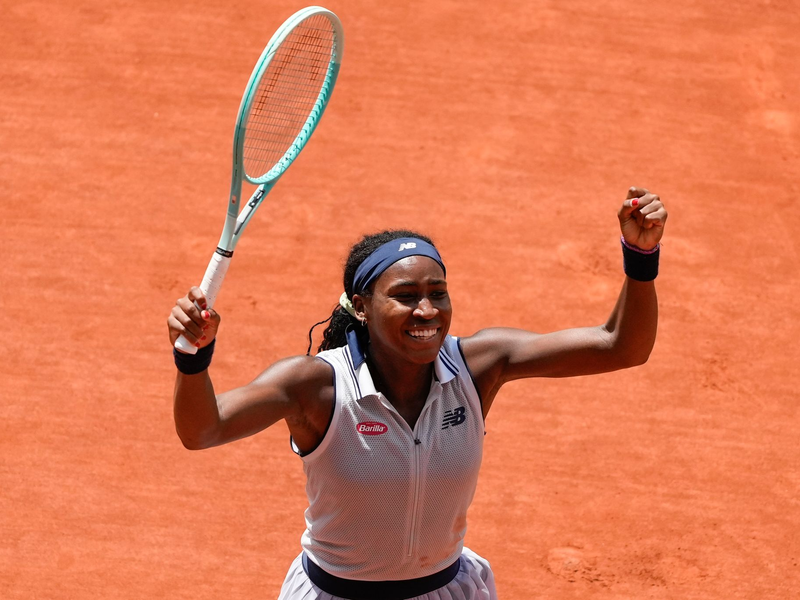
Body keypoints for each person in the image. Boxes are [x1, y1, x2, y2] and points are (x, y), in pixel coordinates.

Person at [167, 187, 667, 600]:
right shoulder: (314, 386)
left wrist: (641, 257)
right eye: (405, 297)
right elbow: (203, 429)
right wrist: (193, 362)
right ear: (362, 307)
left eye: (438, 292)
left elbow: (620, 347)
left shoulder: (479, 365)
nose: (427, 310)